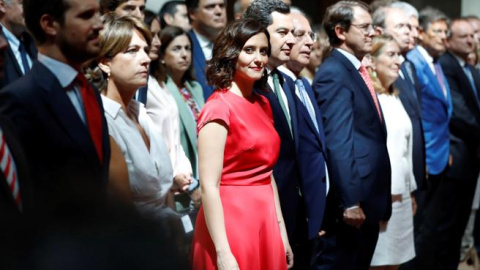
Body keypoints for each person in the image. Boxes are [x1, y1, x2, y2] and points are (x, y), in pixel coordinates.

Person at [191, 18, 293, 270]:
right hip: (230, 222)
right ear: (230, 53)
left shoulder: (263, 103)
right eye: (249, 50)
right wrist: (223, 252)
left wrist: (282, 233)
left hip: (265, 216)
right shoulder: (218, 107)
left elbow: (267, 175)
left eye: (263, 51)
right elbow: (209, 186)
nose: (258, 58)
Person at [0, 0, 110, 221]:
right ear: (50, 25)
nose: (100, 25)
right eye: (87, 16)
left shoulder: (89, 91)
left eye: (98, 14)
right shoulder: (20, 99)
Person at [313, 1, 392, 270]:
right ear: (341, 31)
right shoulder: (335, 72)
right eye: (365, 27)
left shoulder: (355, 69)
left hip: (368, 197)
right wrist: (349, 201)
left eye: (373, 27)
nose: (372, 33)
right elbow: (339, 141)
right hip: (351, 203)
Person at [244, 0, 303, 261]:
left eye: (293, 32)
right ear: (259, 32)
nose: (291, 39)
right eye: (282, 32)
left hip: (293, 208)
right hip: (261, 210)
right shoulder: (247, 86)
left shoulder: (284, 80)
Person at [277, 9, 329, 269]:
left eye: (311, 35)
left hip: (314, 212)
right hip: (293, 213)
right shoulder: (278, 89)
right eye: (300, 35)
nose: (311, 42)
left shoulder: (304, 84)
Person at [404, 7, 453, 270]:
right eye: (438, 31)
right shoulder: (413, 61)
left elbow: (441, 112)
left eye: (446, 32)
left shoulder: (435, 62)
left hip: (441, 155)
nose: (444, 37)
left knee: (432, 226)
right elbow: (416, 114)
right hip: (422, 158)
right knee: (418, 228)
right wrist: (419, 156)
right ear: (421, 33)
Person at [367, 35, 417, 270]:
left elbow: (405, 149)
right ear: (372, 61)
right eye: (391, 54)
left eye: (399, 55)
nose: (399, 60)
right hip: (381, 196)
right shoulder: (371, 98)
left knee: (395, 263)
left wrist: (411, 190)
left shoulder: (394, 96)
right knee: (377, 263)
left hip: (402, 196)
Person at [437, 18, 480, 270]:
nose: (471, 40)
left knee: (459, 224)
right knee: (447, 226)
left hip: (469, 157)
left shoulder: (468, 68)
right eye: (464, 37)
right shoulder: (446, 65)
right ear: (449, 40)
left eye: (472, 36)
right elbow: (460, 114)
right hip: (455, 156)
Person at [373, 4, 425, 206]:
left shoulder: (408, 66)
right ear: (379, 31)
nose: (409, 32)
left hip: (409, 173)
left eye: (410, 27)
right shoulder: (378, 83)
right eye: (401, 26)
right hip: (388, 183)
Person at [159, 26, 204, 190]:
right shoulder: (159, 91)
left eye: (187, 48)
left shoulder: (195, 88)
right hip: (180, 180)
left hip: (205, 169)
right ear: (162, 55)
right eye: (176, 49)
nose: (184, 54)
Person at [185, 0, 226, 99]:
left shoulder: (232, 44)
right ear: (192, 14)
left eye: (221, 5)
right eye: (210, 7)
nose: (219, 11)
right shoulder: (183, 47)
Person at [0, 0, 37, 88]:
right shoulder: (1, 48)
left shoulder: (36, 42)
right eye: (23, 4)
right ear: (2, 6)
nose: (31, 10)